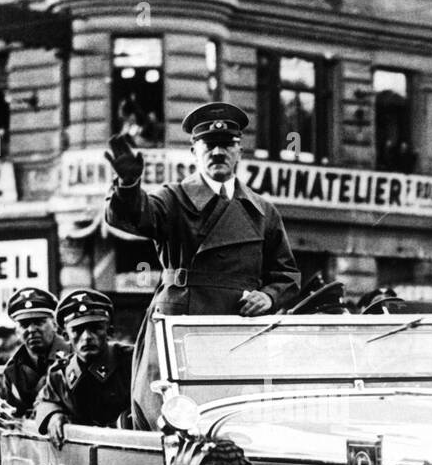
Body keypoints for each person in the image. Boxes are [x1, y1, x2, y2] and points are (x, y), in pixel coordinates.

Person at [104, 100, 301, 427]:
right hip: (180, 328)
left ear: (239, 153)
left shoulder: (263, 211)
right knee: (174, 421)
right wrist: (128, 187)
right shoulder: (173, 198)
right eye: (209, 145)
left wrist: (268, 296)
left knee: (236, 423)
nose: (218, 152)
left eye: (228, 145)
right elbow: (136, 217)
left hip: (236, 334)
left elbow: (286, 274)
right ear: (195, 153)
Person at [35, 290, 134, 444]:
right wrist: (53, 415)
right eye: (77, 330)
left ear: (109, 331)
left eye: (95, 328)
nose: (87, 337)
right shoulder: (60, 373)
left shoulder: (130, 362)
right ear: (66, 336)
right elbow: (44, 401)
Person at [0, 287, 71, 416]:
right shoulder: (12, 370)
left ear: (54, 325)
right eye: (24, 324)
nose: (31, 329)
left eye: (39, 322)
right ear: (17, 331)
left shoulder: (74, 357)